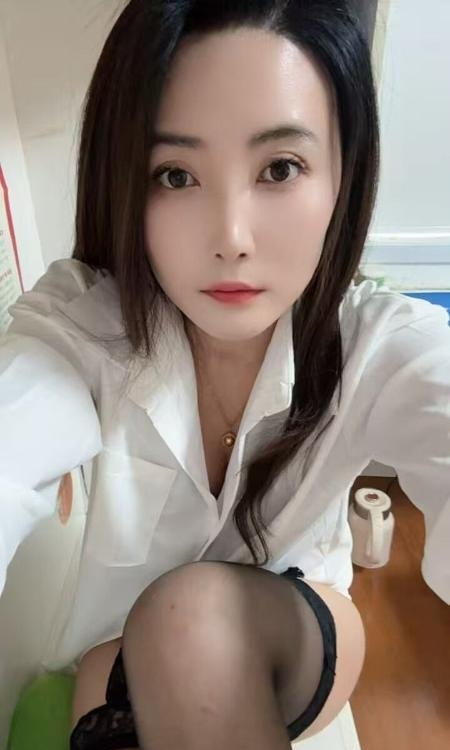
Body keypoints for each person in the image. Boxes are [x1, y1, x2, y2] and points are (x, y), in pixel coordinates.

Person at [0, 1, 449, 748]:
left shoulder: (377, 342)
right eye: (176, 175)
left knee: (192, 619)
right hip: (116, 656)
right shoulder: (83, 325)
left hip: (298, 631)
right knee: (114, 670)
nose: (231, 237)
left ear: (342, 176)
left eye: (280, 168)